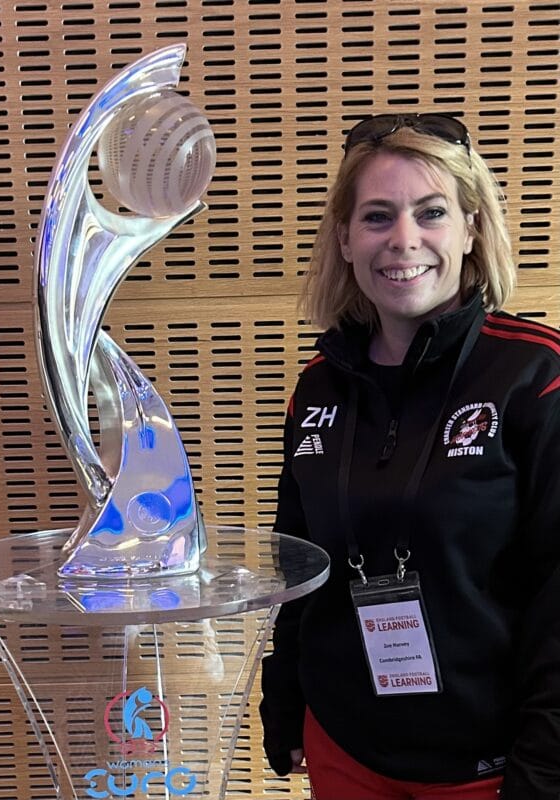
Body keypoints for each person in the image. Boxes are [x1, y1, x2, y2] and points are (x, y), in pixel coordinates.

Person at [259, 114, 560, 800]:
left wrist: (544, 769)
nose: (404, 240)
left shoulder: (535, 376)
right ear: (344, 237)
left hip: (490, 766)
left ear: (471, 227)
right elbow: (298, 562)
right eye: (376, 216)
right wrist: (287, 700)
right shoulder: (316, 388)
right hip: (345, 747)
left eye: (431, 212)